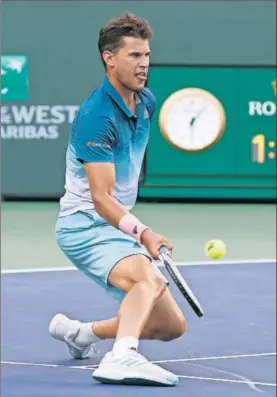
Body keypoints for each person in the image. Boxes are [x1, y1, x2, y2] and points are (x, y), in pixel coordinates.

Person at [49, 12, 186, 387]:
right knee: (147, 277)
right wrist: (144, 234)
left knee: (170, 325)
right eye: (134, 56)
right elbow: (101, 197)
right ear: (109, 58)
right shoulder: (96, 116)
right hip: (84, 224)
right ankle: (122, 356)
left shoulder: (145, 102)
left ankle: (83, 333)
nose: (144, 65)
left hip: (113, 223)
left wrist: (134, 232)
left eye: (146, 55)